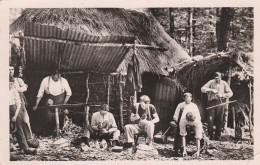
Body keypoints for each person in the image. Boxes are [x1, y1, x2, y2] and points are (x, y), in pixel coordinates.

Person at [33, 68, 72, 135]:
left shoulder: (64, 81)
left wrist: (64, 104)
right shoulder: (45, 80)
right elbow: (40, 93)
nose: (58, 77)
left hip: (60, 104)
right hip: (49, 104)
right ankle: (46, 134)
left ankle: (58, 133)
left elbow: (69, 93)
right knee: (48, 118)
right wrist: (36, 104)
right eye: (56, 76)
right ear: (52, 75)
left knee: (61, 118)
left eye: (59, 75)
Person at [9, 65, 37, 147]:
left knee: (25, 120)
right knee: (13, 123)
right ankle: (14, 142)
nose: (11, 72)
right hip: (10, 104)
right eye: (9, 70)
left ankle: (29, 138)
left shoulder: (18, 80)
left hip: (20, 103)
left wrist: (15, 90)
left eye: (12, 70)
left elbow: (25, 88)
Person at [201, 72, 233, 140]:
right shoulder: (211, 82)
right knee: (210, 119)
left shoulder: (224, 83)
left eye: (218, 78)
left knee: (220, 119)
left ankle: (218, 135)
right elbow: (202, 89)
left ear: (221, 77)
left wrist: (223, 95)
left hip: (220, 102)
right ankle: (210, 135)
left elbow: (230, 93)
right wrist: (211, 90)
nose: (217, 79)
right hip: (211, 102)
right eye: (216, 78)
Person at [171, 93, 203, 157]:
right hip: (183, 120)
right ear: (184, 98)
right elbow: (176, 115)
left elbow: (198, 117)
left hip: (194, 121)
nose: (188, 101)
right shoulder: (180, 105)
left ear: (191, 99)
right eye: (186, 99)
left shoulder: (194, 106)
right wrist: (176, 120)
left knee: (199, 134)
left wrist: (198, 152)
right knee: (179, 133)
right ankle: (179, 149)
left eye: (189, 99)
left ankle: (199, 149)